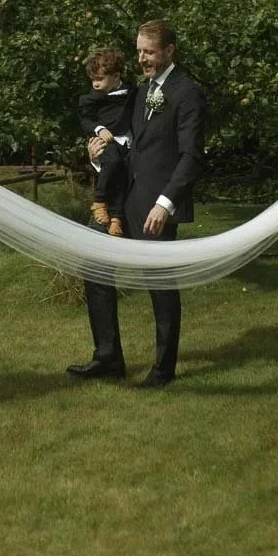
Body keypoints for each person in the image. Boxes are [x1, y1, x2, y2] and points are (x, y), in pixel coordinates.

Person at [67, 20, 206, 388]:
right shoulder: (141, 92)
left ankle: (164, 369)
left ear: (169, 51)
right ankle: (108, 357)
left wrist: (165, 203)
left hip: (157, 206)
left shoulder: (187, 92)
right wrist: (97, 155)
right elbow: (128, 146)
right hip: (122, 200)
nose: (142, 58)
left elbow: (191, 156)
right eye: (139, 51)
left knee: (159, 284)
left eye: (149, 51)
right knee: (94, 268)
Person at [78, 47, 136, 237]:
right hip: (106, 142)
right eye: (92, 79)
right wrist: (99, 129)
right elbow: (85, 120)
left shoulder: (133, 94)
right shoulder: (92, 99)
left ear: (116, 75)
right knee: (112, 163)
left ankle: (116, 219)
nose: (95, 84)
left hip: (127, 146)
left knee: (121, 174)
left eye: (99, 79)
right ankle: (99, 202)